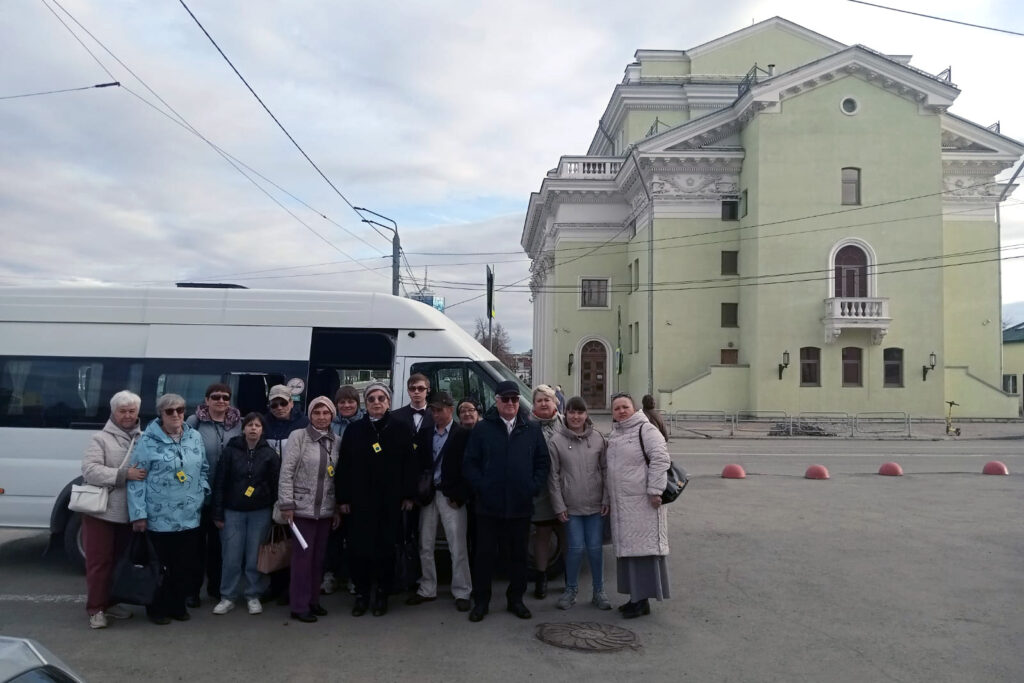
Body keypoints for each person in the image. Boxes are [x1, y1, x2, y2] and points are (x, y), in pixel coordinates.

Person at [463, 380, 549, 623]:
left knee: (518, 556)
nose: (511, 403)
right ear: (496, 400)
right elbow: (470, 463)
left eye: (514, 399)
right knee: (485, 555)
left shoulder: (531, 429)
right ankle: (481, 602)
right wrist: (482, 487)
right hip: (489, 507)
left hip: (519, 506)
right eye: (506, 399)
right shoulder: (483, 429)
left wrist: (532, 487)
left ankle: (516, 600)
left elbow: (542, 462)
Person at [127, 393, 209, 625]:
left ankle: (177, 605)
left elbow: (203, 467)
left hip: (189, 516)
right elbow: (136, 479)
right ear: (161, 414)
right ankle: (157, 608)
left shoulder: (194, 436)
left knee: (183, 565)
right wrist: (138, 514)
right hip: (159, 517)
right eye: (170, 411)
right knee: (160, 566)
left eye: (180, 410)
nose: (176, 415)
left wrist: (202, 490)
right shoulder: (148, 441)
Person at [337, 382, 418, 617]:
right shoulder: (354, 431)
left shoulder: (401, 428)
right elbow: (344, 466)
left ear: (388, 402)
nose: (376, 402)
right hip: (360, 501)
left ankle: (382, 593)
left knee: (386, 549)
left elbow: (410, 465)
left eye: (381, 398)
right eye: (371, 399)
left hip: (390, 501)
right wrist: (343, 498)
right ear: (366, 403)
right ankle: (362, 594)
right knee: (359, 549)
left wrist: (408, 495)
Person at [79, 390, 147, 629]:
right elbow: (90, 470)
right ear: (113, 412)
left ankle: (112, 602)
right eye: (122, 411)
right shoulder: (100, 439)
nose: (127, 416)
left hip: (129, 512)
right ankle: (96, 608)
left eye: (132, 411)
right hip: (102, 512)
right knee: (100, 562)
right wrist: (123, 475)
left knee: (120, 561)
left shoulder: (144, 437)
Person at [606, 392, 671, 618]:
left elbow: (661, 459)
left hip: (643, 503)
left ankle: (641, 601)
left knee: (642, 553)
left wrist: (655, 491)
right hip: (623, 504)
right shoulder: (616, 433)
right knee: (629, 554)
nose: (621, 411)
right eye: (617, 408)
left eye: (625, 406)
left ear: (633, 408)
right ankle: (635, 597)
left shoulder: (646, 429)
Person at [406, 391, 472, 612]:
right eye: (432, 410)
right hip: (429, 495)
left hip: (451, 496)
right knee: (425, 543)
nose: (435, 414)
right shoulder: (425, 433)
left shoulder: (462, 434)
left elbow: (468, 468)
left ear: (450, 409)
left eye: (439, 410)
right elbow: (417, 466)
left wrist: (461, 495)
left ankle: (462, 590)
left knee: (457, 545)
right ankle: (427, 587)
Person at [277, 396, 341, 623]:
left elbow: (336, 478)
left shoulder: (337, 440)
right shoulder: (299, 437)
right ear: (310, 415)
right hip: (301, 509)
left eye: (326, 413)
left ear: (332, 415)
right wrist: (287, 503)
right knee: (302, 560)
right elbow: (287, 471)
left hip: (325, 510)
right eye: (317, 413)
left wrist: (335, 510)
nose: (321, 417)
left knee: (318, 559)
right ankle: (299, 604)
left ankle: (314, 601)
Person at [211, 413, 280, 616]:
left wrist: (277, 511)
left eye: (257, 425)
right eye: (249, 425)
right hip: (233, 511)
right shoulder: (230, 451)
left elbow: (276, 484)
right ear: (243, 428)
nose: (253, 429)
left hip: (260, 511)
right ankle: (228, 596)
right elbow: (220, 483)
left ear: (262, 430)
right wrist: (217, 513)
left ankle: (253, 594)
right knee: (231, 556)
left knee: (254, 557)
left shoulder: (269, 454)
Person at [548, 396, 610, 610]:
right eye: (572, 412)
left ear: (586, 415)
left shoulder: (599, 439)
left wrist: (606, 498)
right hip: (570, 507)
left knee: (594, 549)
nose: (575, 417)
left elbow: (606, 470)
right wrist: (559, 505)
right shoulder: (556, 441)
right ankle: (570, 590)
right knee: (574, 549)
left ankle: (598, 591)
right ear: (566, 414)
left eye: (580, 412)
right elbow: (553, 476)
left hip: (595, 506)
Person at [185, 383, 241, 607]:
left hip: (227, 496)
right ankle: (192, 591)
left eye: (225, 397)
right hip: (199, 494)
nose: (221, 401)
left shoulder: (239, 423)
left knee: (220, 547)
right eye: (215, 397)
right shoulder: (194, 422)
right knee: (196, 547)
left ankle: (216, 588)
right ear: (206, 400)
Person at [322, 385, 364, 595]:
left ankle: (353, 576)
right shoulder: (329, 424)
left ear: (358, 404)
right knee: (333, 534)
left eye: (350, 402)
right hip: (331, 484)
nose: (346, 405)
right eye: (342, 402)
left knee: (355, 536)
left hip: (356, 487)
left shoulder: (365, 424)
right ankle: (330, 574)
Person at [529, 384, 564, 599]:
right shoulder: (526, 425)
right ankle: (541, 577)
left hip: (564, 489)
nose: (544, 403)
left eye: (547, 399)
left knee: (566, 534)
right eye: (540, 400)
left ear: (555, 402)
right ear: (533, 404)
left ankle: (571, 579)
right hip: (540, 490)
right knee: (541, 535)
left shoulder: (566, 423)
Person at [264, 385, 309, 457]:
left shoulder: (305, 423)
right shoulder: (262, 423)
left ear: (291, 403)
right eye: (274, 405)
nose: (279, 408)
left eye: (283, 403)